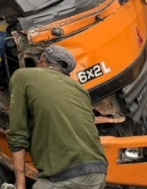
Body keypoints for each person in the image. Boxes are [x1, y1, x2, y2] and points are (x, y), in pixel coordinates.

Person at [8, 45, 107, 189]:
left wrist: (20, 183)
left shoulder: (22, 76)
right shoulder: (80, 89)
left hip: (64, 176)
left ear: (42, 59)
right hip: (98, 172)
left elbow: (17, 134)